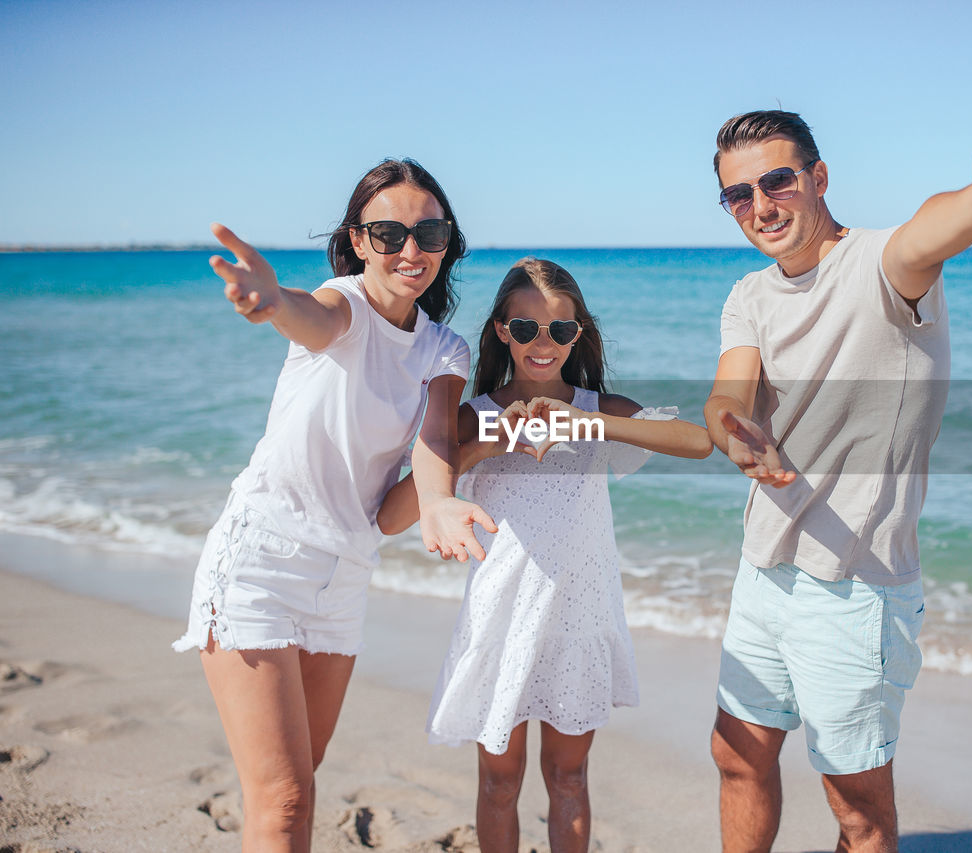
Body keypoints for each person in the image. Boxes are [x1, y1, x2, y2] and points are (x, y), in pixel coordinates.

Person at [703, 88, 972, 852]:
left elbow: (922, 237)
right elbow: (730, 391)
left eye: (777, 181)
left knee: (857, 814)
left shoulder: (879, 268)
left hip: (856, 589)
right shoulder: (751, 295)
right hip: (764, 569)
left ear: (819, 178)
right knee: (737, 754)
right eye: (738, 193)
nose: (759, 204)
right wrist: (730, 427)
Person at [172, 158, 497, 852]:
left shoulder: (444, 347)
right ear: (357, 240)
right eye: (389, 233)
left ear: (448, 243)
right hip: (262, 561)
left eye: (430, 233)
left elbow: (420, 464)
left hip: (345, 575)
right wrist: (271, 300)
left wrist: (445, 492)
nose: (411, 251)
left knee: (294, 784)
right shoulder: (343, 306)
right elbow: (307, 315)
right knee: (286, 800)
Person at [378, 257, 712, 853]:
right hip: (500, 620)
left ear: (576, 335)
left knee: (569, 777)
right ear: (502, 330)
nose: (542, 343)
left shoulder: (596, 408)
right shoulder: (469, 416)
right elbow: (395, 513)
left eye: (559, 330)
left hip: (578, 620)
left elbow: (696, 441)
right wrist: (489, 444)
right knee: (499, 783)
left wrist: (585, 424)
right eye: (526, 328)